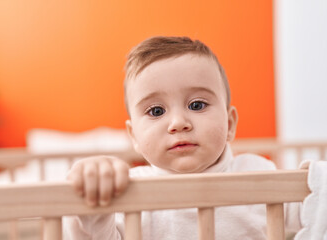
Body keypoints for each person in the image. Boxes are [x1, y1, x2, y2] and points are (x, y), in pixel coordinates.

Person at [63, 36, 301, 239]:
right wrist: (92, 205)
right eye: (156, 111)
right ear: (134, 136)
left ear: (229, 124)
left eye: (197, 105)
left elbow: (313, 207)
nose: (178, 123)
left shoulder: (257, 173)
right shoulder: (128, 189)